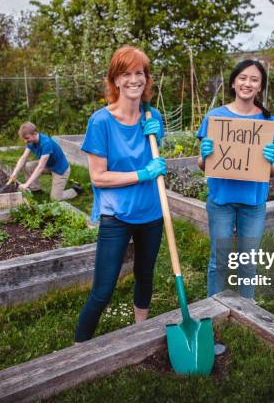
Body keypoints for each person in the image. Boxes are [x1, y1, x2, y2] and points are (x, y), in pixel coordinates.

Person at [75, 45, 166, 342]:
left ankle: (140, 331)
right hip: (116, 214)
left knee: (145, 275)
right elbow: (98, 177)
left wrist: (156, 136)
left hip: (151, 211)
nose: (133, 80)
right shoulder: (100, 121)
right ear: (115, 80)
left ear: (147, 79)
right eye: (125, 74)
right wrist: (142, 174)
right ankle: (78, 346)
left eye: (139, 73)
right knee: (103, 289)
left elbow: (153, 155)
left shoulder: (152, 117)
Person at [197, 59, 274, 300]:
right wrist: (205, 155)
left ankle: (248, 311)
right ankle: (213, 308)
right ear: (233, 83)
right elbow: (203, 165)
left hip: (253, 202)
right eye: (243, 78)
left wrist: (270, 161)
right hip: (221, 200)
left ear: (260, 87)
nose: (248, 83)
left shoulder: (270, 123)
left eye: (254, 80)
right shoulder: (215, 118)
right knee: (219, 261)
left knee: (248, 264)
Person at [9, 122, 81, 201]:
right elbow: (23, 157)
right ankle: (35, 190)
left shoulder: (46, 143)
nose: (25, 141)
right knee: (28, 166)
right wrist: (15, 172)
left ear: (35, 133)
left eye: (27, 138)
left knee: (55, 199)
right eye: (24, 139)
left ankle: (75, 190)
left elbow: (40, 167)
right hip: (49, 165)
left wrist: (26, 184)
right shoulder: (31, 142)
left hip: (60, 170)